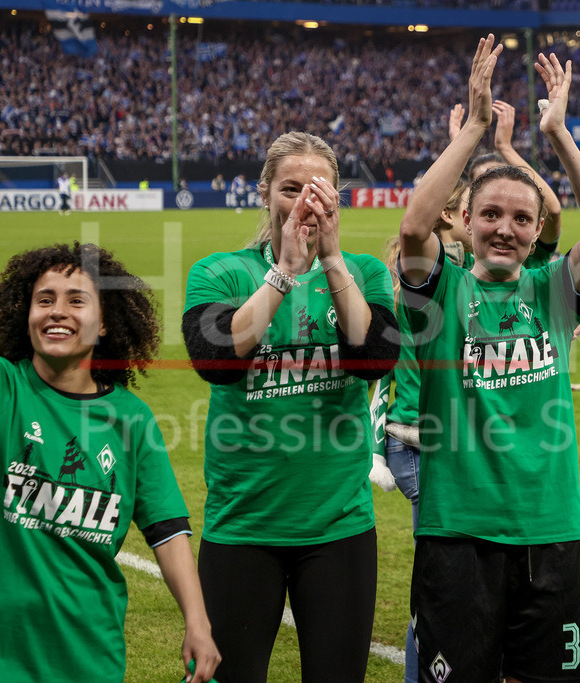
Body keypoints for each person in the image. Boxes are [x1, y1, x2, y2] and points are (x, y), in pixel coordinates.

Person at [398, 37, 580, 682]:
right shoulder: (442, 291)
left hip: (549, 530)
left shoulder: (553, 291)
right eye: (490, 214)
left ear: (535, 232)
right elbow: (414, 228)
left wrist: (557, 134)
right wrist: (473, 132)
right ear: (464, 221)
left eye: (521, 219)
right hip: (457, 533)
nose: (505, 227)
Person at [182, 131, 399, 682]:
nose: (304, 201)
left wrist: (329, 260)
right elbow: (216, 360)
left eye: (318, 189)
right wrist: (283, 270)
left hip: (339, 528)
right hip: (243, 524)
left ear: (337, 199)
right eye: (290, 188)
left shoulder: (365, 274)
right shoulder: (220, 272)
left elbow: (371, 360)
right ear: (264, 192)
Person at [0, 242, 220, 683]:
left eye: (76, 300)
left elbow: (168, 529)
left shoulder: (132, 419)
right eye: (44, 300)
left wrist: (197, 622)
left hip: (89, 655)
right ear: (24, 318)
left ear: (103, 323)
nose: (57, 311)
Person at [380, 178, 471, 683]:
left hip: (427, 444)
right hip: (416, 445)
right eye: (469, 210)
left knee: (446, 572)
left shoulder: (444, 282)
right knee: (443, 578)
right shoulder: (430, 291)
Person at [452, 98, 563, 269]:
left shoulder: (529, 249)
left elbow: (553, 211)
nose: (504, 231)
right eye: (482, 182)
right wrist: (458, 147)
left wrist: (506, 148)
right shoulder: (460, 255)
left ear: (537, 229)